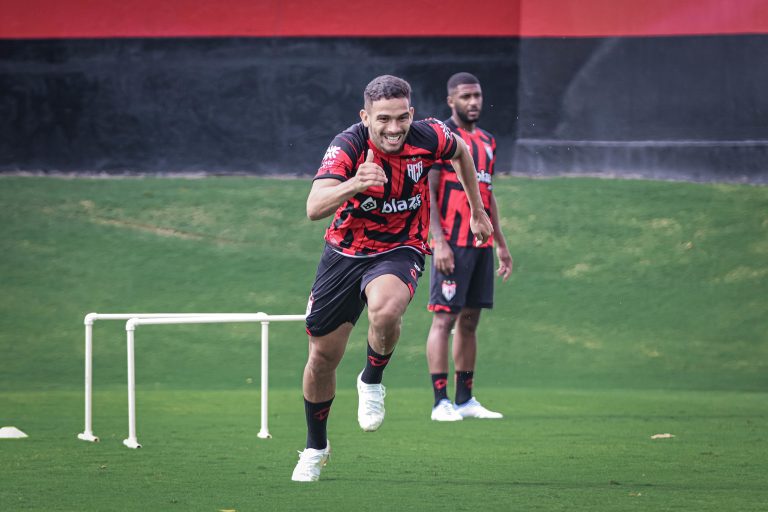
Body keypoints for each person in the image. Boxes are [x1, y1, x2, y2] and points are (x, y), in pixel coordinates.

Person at [291, 75, 493, 482]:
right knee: (322, 358)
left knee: (386, 309)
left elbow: (463, 155)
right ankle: (315, 447)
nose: (394, 128)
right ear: (365, 117)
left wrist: (476, 209)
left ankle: (372, 379)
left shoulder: (430, 135)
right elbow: (314, 207)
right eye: (383, 119)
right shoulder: (347, 145)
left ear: (412, 114)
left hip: (400, 247)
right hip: (344, 254)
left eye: (402, 118)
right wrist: (356, 183)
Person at [425, 72, 513, 422]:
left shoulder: (489, 141)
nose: (473, 102)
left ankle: (465, 399)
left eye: (477, 95)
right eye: (465, 96)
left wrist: (501, 246)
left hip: (481, 245)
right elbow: (427, 193)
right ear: (451, 101)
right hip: (452, 244)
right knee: (443, 321)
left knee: (470, 322)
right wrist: (438, 242)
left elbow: (487, 197)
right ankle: (439, 402)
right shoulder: (442, 139)